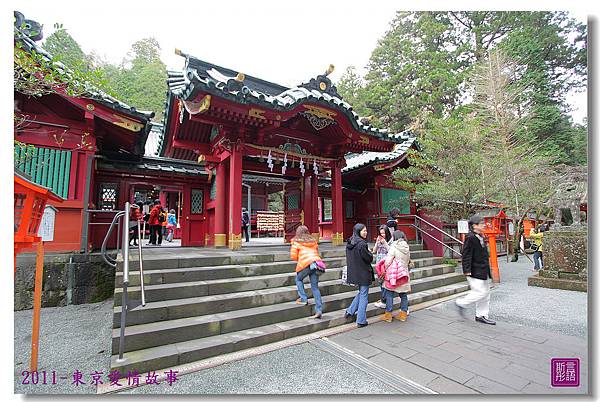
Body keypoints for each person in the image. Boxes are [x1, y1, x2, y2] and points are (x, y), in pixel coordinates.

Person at [455, 215, 495, 325]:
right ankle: (461, 302)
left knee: (486, 294)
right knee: (481, 292)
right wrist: (467, 270)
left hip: (483, 270)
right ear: (474, 226)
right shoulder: (470, 237)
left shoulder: (480, 236)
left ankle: (481, 315)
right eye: (481, 223)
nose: (483, 225)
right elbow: (466, 255)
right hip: (474, 270)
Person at [376, 230, 412, 322]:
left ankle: (388, 315)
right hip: (403, 273)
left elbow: (388, 261)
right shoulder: (406, 247)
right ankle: (403, 315)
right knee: (403, 294)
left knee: (389, 293)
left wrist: (384, 268)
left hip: (393, 274)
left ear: (394, 237)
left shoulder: (394, 246)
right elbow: (408, 261)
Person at [290, 225, 323, 319]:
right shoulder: (313, 241)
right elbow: (316, 252)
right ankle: (319, 310)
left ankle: (303, 298)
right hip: (316, 264)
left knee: (298, 279)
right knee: (315, 288)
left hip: (305, 263)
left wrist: (300, 259)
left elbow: (293, 256)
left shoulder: (296, 241)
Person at [344, 223, 374, 328]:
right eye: (363, 231)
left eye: (366, 230)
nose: (365, 233)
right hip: (363, 272)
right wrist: (370, 253)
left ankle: (350, 311)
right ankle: (361, 320)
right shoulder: (362, 244)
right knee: (364, 295)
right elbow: (368, 258)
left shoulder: (350, 242)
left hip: (354, 272)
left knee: (362, 293)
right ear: (358, 231)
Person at [372, 225, 392, 309]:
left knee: (385, 283)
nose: (382, 235)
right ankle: (384, 299)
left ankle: (384, 301)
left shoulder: (391, 240)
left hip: (386, 264)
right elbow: (374, 251)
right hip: (378, 264)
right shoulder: (379, 240)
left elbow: (391, 251)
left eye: (383, 233)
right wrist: (377, 242)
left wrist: (385, 243)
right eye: (381, 233)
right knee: (380, 282)